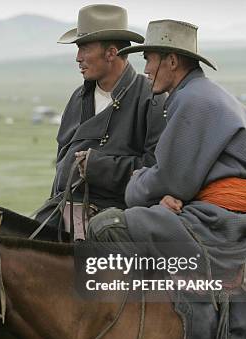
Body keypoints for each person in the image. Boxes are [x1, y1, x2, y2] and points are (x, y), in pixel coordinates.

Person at [86, 20, 246, 339]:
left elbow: (169, 178)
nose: (145, 70)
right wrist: (171, 192)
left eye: (151, 59)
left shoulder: (194, 101)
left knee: (104, 225)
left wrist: (139, 186)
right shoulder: (204, 95)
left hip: (215, 226)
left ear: (172, 61)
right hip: (224, 214)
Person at [34, 4, 166, 240]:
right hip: (65, 209)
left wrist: (98, 166)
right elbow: (62, 159)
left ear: (111, 53)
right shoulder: (78, 98)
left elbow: (158, 169)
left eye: (84, 48)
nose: (78, 58)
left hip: (117, 220)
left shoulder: (150, 97)